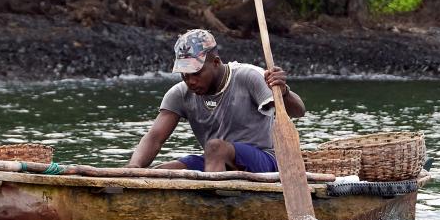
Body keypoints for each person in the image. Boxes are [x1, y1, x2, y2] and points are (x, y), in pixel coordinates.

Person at [126, 29, 305, 172]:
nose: (191, 81)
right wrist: (133, 169)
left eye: (196, 74)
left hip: (264, 160)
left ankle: (215, 205)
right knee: (163, 172)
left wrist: (284, 92)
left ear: (216, 63)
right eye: (185, 76)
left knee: (215, 148)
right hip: (216, 161)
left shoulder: (250, 76)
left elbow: (299, 111)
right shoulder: (180, 93)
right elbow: (154, 138)